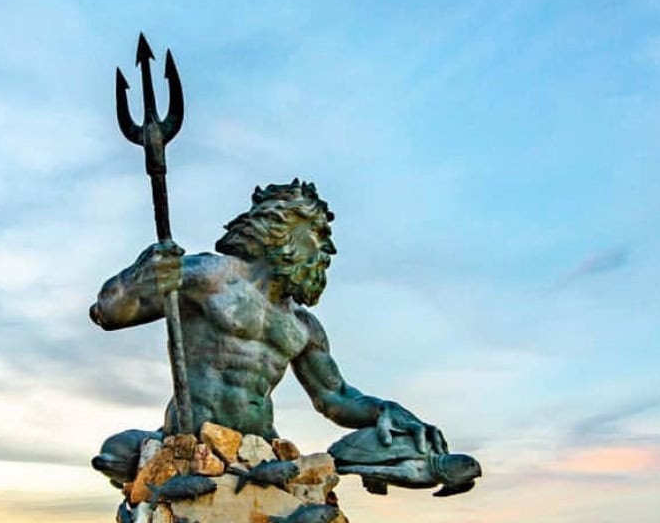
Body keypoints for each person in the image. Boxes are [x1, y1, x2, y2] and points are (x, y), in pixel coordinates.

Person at [91, 180, 446, 455]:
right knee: (118, 449)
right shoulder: (214, 276)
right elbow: (110, 313)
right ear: (283, 226)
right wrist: (141, 274)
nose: (328, 250)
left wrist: (386, 409)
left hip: (260, 446)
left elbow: (335, 398)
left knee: (404, 451)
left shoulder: (303, 327)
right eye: (320, 233)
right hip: (192, 441)